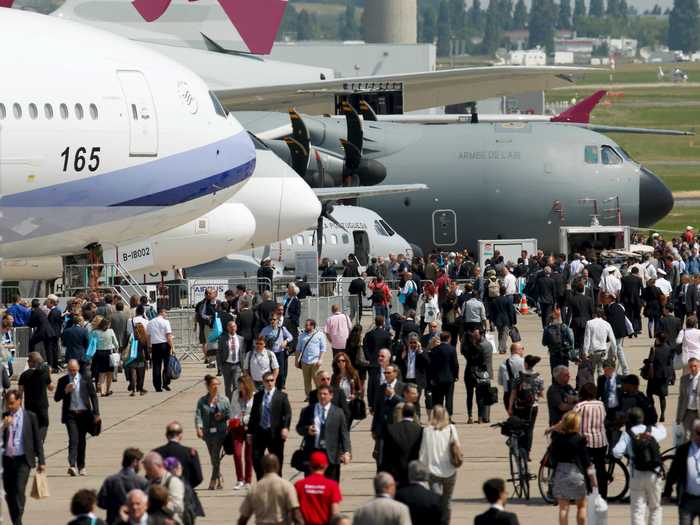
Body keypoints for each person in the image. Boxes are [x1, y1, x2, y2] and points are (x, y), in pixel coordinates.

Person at [611, 407, 666, 525]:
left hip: (636, 474)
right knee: (655, 508)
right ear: (643, 418)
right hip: (654, 473)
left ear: (629, 421)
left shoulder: (628, 435)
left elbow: (616, 452)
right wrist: (659, 425)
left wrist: (629, 454)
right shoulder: (651, 431)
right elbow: (663, 434)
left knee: (637, 510)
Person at [2, 389, 46, 525]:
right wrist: (4, 426)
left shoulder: (30, 416)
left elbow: (37, 439)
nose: (9, 406)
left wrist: (41, 461)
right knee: (9, 493)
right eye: (7, 404)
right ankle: (17, 520)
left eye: (12, 403)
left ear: (19, 401)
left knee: (19, 489)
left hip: (23, 460)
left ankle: (17, 521)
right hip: (7, 460)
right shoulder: (3, 417)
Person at [548, 411, 596, 525]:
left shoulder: (557, 439)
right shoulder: (579, 440)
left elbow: (552, 458)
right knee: (581, 507)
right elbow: (587, 462)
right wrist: (593, 480)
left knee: (563, 509)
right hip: (577, 474)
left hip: (561, 473)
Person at [54, 359, 100, 477]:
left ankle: (82, 466)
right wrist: (65, 391)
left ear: (78, 368)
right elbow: (56, 398)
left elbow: (93, 396)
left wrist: (96, 413)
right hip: (70, 415)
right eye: (70, 370)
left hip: (84, 414)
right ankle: (72, 465)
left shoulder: (86, 379)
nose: (72, 372)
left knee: (82, 440)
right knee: (73, 439)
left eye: (74, 370)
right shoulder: (63, 381)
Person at [297, 384, 352, 481]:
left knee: (332, 486)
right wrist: (307, 430)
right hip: (313, 454)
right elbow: (299, 428)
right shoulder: (308, 410)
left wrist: (346, 452)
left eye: (325, 394)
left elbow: (344, 434)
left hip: (332, 456)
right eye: (320, 394)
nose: (322, 396)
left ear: (331, 396)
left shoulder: (338, 412)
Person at [419, 405, 460, 524]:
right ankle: (445, 522)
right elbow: (457, 446)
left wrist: (422, 468)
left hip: (433, 470)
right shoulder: (452, 428)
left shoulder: (427, 430)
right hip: (450, 470)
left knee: (436, 500)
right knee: (447, 501)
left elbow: (423, 452)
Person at [152, 422, 204, 517]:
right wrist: (186, 485)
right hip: (185, 497)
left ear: (166, 435)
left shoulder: (157, 453)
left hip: (162, 498)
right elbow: (198, 478)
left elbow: (150, 476)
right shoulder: (190, 452)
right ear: (180, 435)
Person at [247, 371, 292, 479]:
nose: (270, 383)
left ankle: (277, 480)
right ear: (263, 382)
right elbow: (253, 415)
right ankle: (261, 480)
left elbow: (288, 413)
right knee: (256, 458)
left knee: (277, 459)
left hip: (275, 433)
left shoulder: (281, 396)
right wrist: (249, 432)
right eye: (267, 381)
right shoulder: (258, 396)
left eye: (272, 380)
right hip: (260, 432)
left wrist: (285, 428)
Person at [238, 454, 303, 525]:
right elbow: (296, 516)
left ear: (263, 468)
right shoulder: (287, 486)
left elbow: (243, 519)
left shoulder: (254, 489)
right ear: (278, 466)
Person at [572, 382, 609, 499]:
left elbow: (571, 420)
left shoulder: (580, 406)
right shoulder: (601, 404)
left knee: (586, 468)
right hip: (601, 440)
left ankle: (589, 492)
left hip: (585, 442)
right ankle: (603, 494)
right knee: (601, 468)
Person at [195, 374, 231, 490]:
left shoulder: (224, 400)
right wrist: (199, 428)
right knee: (213, 457)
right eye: (213, 385)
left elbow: (229, 414)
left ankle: (213, 479)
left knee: (215, 455)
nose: (216, 387)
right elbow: (198, 415)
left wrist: (222, 415)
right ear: (208, 386)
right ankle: (219, 476)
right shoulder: (202, 401)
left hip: (220, 432)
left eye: (217, 384)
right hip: (207, 433)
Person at [97, 448, 149, 525]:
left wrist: (114, 507)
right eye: (141, 462)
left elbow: (101, 502)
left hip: (113, 521)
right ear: (135, 462)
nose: (141, 466)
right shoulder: (142, 482)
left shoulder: (110, 480)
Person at [662, 418, 700, 522]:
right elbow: (673, 473)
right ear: (693, 433)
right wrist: (667, 493)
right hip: (687, 500)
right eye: (699, 433)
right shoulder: (683, 451)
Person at [508, 355, 544, 456]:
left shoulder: (518, 377)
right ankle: (527, 452)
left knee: (519, 428)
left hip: (520, 406)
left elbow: (513, 394)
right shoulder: (539, 377)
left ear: (525, 364)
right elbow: (541, 394)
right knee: (530, 429)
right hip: (533, 406)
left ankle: (519, 449)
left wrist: (510, 407)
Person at [294, 451, 342, 525]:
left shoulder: (299, 485)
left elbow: (295, 511)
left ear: (310, 465)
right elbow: (335, 513)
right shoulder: (332, 486)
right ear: (326, 466)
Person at [380, 403, 423, 487]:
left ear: (402, 413)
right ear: (414, 414)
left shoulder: (390, 429)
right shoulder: (420, 430)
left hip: (395, 473)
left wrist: (382, 471)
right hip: (413, 473)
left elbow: (385, 453)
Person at [17, 352, 52, 443]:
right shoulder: (44, 373)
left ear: (31, 362)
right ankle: (40, 441)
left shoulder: (24, 375)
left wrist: (19, 405)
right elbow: (51, 388)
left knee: (31, 425)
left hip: (29, 404)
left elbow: (20, 392)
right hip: (42, 404)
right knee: (44, 424)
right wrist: (49, 374)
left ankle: (34, 443)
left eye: (28, 360)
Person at [462, 325, 493, 424]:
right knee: (480, 396)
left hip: (469, 372)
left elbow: (463, 350)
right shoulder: (482, 347)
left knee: (469, 395)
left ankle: (470, 416)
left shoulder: (467, 349)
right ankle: (480, 417)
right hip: (480, 373)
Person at [143, 452, 184, 522]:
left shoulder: (173, 482)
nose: (147, 472)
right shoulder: (149, 482)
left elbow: (179, 507)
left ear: (159, 465)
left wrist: (162, 503)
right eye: (146, 469)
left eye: (149, 469)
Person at [231, 375, 255, 490]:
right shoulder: (235, 394)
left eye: (241, 385)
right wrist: (234, 419)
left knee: (248, 456)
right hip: (237, 428)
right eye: (238, 385)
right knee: (237, 453)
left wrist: (244, 419)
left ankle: (248, 480)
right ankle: (239, 479)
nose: (239, 387)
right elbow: (232, 410)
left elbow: (255, 414)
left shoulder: (254, 396)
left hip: (250, 428)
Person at [428, 331, 459, 416]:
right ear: (449, 339)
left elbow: (432, 366)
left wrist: (432, 378)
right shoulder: (452, 349)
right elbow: (455, 364)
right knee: (449, 398)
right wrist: (456, 375)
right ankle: (448, 417)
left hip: (437, 379)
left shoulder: (434, 350)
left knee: (439, 399)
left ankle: (439, 416)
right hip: (449, 378)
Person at [646, 331, 675, 423]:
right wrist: (672, 375)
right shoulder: (669, 349)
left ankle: (653, 409)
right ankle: (662, 414)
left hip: (654, 376)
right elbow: (671, 363)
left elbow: (650, 361)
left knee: (649, 393)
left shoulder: (654, 349)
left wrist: (646, 362)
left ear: (658, 339)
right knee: (662, 396)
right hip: (665, 376)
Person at [396, 334, 429, 415]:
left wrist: (420, 351)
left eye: (414, 342)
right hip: (406, 380)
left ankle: (416, 419)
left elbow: (427, 363)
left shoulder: (422, 351)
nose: (412, 344)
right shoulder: (403, 351)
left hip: (417, 381)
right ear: (407, 342)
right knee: (405, 401)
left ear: (418, 343)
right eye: (411, 342)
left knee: (415, 400)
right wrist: (402, 357)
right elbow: (396, 364)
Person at [260, 314, 293, 389]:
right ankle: (270, 387)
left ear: (278, 320)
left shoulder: (282, 329)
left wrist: (285, 341)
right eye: (271, 319)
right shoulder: (265, 329)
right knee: (270, 372)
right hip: (269, 354)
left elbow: (290, 337)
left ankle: (279, 388)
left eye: (274, 319)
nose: (272, 321)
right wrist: (264, 341)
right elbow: (260, 339)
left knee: (281, 373)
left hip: (279, 353)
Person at [296, 319, 327, 398]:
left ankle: (319, 395)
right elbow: (298, 349)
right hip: (304, 361)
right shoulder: (301, 336)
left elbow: (323, 349)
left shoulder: (320, 335)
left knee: (317, 380)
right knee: (307, 381)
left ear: (312, 326)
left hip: (315, 362)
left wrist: (321, 359)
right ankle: (309, 396)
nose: (305, 326)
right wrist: (296, 360)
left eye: (307, 325)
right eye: (305, 325)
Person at [583, 308, 618, 378]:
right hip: (603, 351)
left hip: (592, 351)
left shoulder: (589, 323)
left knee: (591, 372)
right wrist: (614, 352)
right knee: (601, 372)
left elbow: (587, 339)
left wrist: (585, 352)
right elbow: (613, 340)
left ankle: (592, 387)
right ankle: (600, 387)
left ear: (594, 314)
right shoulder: (607, 324)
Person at [90, 316, 120, 396]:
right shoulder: (111, 331)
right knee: (109, 373)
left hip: (99, 353)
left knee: (102, 373)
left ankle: (102, 391)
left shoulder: (95, 332)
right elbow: (116, 343)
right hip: (109, 353)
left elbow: (91, 343)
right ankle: (107, 390)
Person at [331, 352, 363, 426]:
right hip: (338, 406)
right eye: (338, 361)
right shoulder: (335, 376)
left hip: (350, 405)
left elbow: (359, 390)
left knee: (346, 427)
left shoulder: (354, 374)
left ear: (347, 362)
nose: (341, 363)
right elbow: (331, 391)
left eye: (343, 360)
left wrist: (354, 396)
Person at [148, 309, 174, 393]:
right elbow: (168, 335)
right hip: (164, 345)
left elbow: (148, 336)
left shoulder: (150, 322)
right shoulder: (166, 322)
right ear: (162, 312)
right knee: (166, 365)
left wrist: (149, 346)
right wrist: (172, 347)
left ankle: (157, 386)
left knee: (156, 366)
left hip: (155, 346)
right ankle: (166, 383)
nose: (166, 315)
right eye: (166, 313)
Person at [542, 309, 575, 375]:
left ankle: (555, 384)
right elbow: (571, 340)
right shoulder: (564, 327)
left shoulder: (547, 329)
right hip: (564, 353)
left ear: (550, 319)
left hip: (553, 354)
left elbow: (544, 343)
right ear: (559, 317)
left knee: (554, 373)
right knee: (564, 373)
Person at [217, 321, 244, 401]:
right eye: (230, 327)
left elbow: (242, 353)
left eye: (234, 326)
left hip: (237, 365)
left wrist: (243, 367)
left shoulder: (241, 339)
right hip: (226, 365)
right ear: (227, 328)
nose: (232, 328)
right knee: (228, 386)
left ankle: (236, 402)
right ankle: (229, 402)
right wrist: (219, 366)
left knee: (236, 385)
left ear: (236, 327)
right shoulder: (222, 339)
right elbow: (219, 353)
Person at [677, 357, 700, 443]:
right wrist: (678, 416)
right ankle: (687, 454)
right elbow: (681, 398)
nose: (693, 368)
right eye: (691, 366)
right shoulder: (684, 379)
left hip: (698, 413)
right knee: (686, 436)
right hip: (687, 413)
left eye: (695, 366)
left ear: (699, 366)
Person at [499, 342, 524, 412]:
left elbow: (501, 382)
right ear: (517, 350)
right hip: (522, 395)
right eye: (522, 349)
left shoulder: (503, 363)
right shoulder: (524, 362)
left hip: (508, 394)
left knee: (512, 418)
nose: (523, 350)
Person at [492, 286, 517, 354]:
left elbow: (492, 312)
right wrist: (513, 321)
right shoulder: (507, 300)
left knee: (500, 334)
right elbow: (511, 311)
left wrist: (493, 321)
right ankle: (501, 348)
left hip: (497, 319)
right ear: (505, 291)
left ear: (499, 291)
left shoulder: (495, 300)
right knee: (504, 335)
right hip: (506, 319)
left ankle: (502, 347)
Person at [127, 322, 149, 397]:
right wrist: (148, 359)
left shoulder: (131, 336)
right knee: (141, 375)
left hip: (132, 357)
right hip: (140, 358)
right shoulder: (143, 338)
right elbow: (146, 350)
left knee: (133, 374)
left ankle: (133, 390)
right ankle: (140, 389)